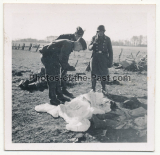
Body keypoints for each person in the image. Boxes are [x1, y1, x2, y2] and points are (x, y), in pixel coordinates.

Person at [40, 38, 87, 105]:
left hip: (53, 59)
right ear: (78, 44)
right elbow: (62, 58)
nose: (79, 51)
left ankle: (60, 96)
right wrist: (68, 67)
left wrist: (67, 66)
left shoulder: (70, 44)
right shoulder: (68, 44)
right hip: (48, 57)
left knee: (57, 77)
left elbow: (64, 59)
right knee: (52, 78)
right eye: (80, 48)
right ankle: (52, 99)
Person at [55, 27, 86, 98]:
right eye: (78, 36)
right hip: (57, 56)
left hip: (64, 57)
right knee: (57, 73)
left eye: (80, 36)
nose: (79, 38)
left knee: (64, 72)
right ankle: (58, 91)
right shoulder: (65, 36)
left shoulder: (77, 40)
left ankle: (64, 89)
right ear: (75, 33)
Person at [88, 25, 113, 94]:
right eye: (99, 31)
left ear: (104, 31)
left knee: (104, 73)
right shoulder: (94, 38)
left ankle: (103, 88)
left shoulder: (107, 39)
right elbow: (89, 47)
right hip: (95, 57)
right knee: (93, 73)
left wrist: (110, 61)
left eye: (102, 31)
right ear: (97, 32)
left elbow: (110, 51)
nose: (100, 33)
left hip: (103, 57)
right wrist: (93, 45)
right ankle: (93, 89)